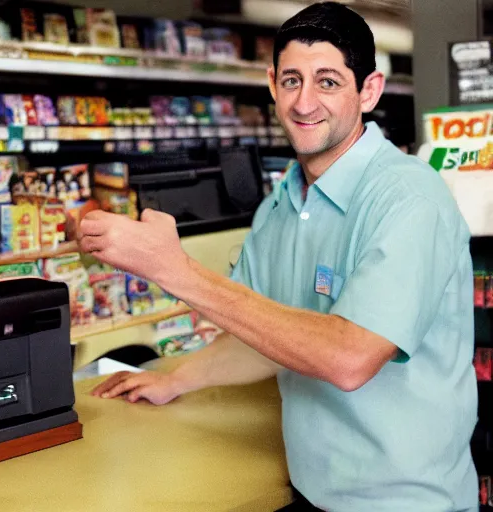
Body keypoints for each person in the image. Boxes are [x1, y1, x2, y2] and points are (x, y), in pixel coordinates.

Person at [78, 3, 479, 511]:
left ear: (370, 91)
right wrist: (175, 379)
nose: (305, 102)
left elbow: (349, 357)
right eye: (292, 80)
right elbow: (265, 337)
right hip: (311, 493)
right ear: (271, 85)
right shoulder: (282, 204)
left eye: (328, 82)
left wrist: (174, 271)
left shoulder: (409, 200)